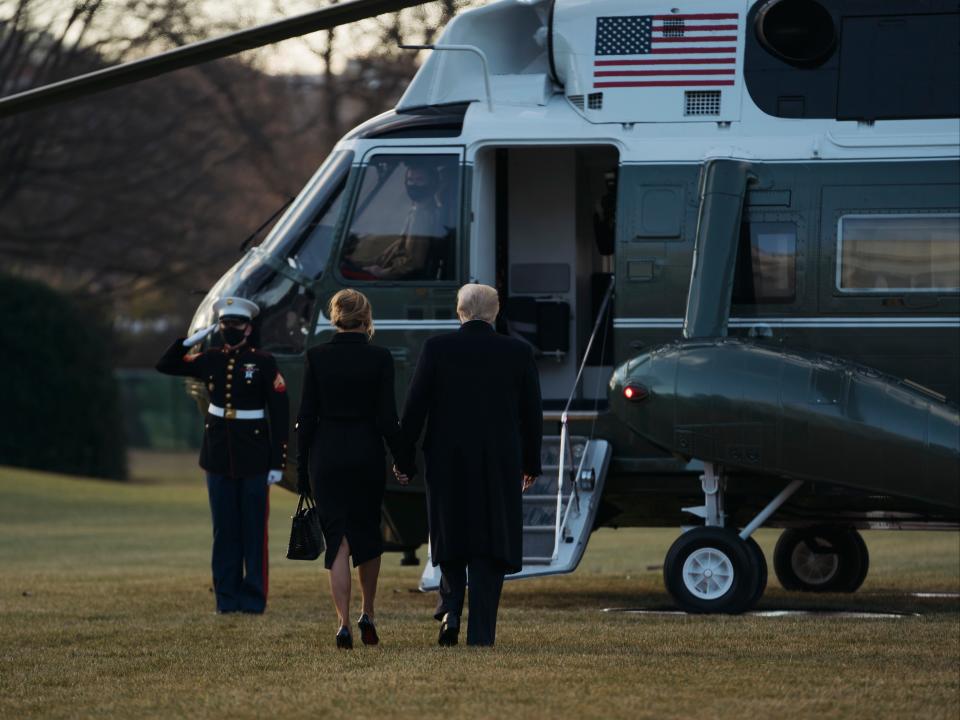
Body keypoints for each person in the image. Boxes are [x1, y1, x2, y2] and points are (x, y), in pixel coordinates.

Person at [397, 283, 543, 646]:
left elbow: (414, 408)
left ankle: (450, 607)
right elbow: (532, 415)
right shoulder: (518, 352)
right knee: (490, 539)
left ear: (459, 312)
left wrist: (403, 459)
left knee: (450, 531)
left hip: (446, 456)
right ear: (495, 313)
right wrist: (531, 463)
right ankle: (481, 631)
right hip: (499, 459)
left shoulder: (436, 348)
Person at [156, 296, 289, 614]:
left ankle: (253, 598)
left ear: (248, 327)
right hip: (217, 454)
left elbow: (280, 414)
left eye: (237, 324)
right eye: (226, 324)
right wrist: (187, 342)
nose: (231, 329)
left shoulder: (264, 362)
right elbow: (166, 365)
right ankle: (226, 599)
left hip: (254, 455)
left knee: (253, 530)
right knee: (224, 531)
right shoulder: (210, 358)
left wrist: (277, 462)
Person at [296, 289, 413, 649]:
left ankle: (343, 623)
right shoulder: (380, 358)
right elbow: (387, 417)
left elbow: (306, 418)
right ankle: (369, 611)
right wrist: (403, 460)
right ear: (366, 318)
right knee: (367, 534)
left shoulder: (316, 357)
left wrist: (302, 472)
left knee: (339, 542)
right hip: (365, 453)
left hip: (327, 457)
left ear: (335, 317)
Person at [348, 164, 443, 281]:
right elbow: (398, 248)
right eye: (410, 180)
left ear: (432, 183)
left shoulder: (422, 216)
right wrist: (362, 265)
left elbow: (413, 262)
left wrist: (382, 273)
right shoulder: (417, 212)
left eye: (420, 180)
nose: (413, 185)